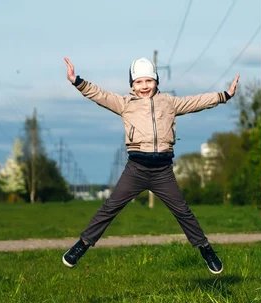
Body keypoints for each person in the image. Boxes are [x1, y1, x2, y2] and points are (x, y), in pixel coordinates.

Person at [61, 56, 239, 274]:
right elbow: (100, 95)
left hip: (163, 171)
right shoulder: (125, 104)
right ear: (132, 85)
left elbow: (196, 101)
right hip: (136, 169)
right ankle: (82, 245)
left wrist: (224, 95)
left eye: (148, 81)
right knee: (110, 207)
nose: (144, 86)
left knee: (183, 211)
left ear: (156, 81)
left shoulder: (169, 103)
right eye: (138, 82)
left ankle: (205, 249)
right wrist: (76, 81)